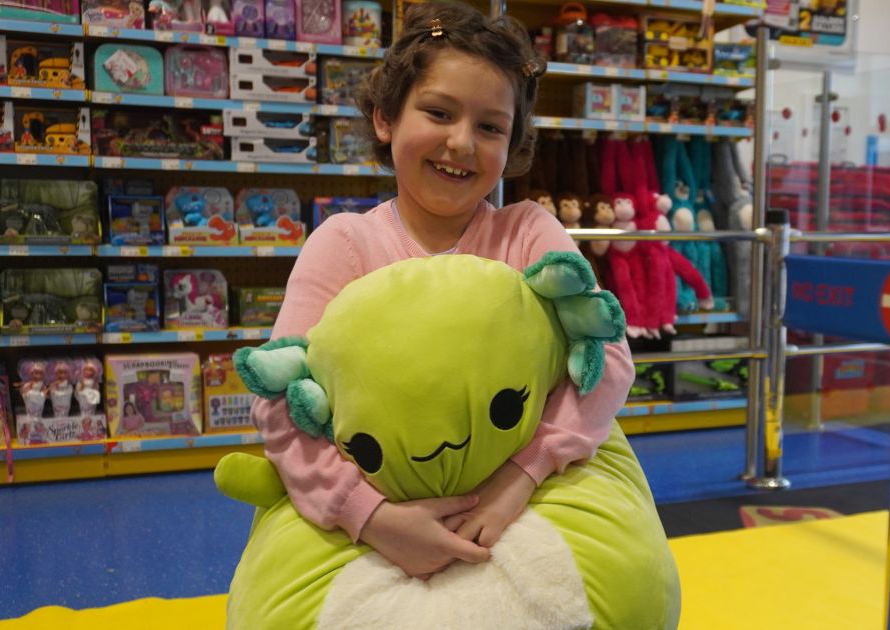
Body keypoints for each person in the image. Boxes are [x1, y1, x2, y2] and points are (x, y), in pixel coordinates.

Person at [250, 0, 635, 581]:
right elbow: (278, 397)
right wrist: (369, 514)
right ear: (386, 117)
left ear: (512, 145)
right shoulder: (345, 244)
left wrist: (520, 476)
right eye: (438, 112)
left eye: (490, 127)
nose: (460, 143)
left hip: (517, 496)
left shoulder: (528, 232)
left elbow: (606, 358)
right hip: (380, 510)